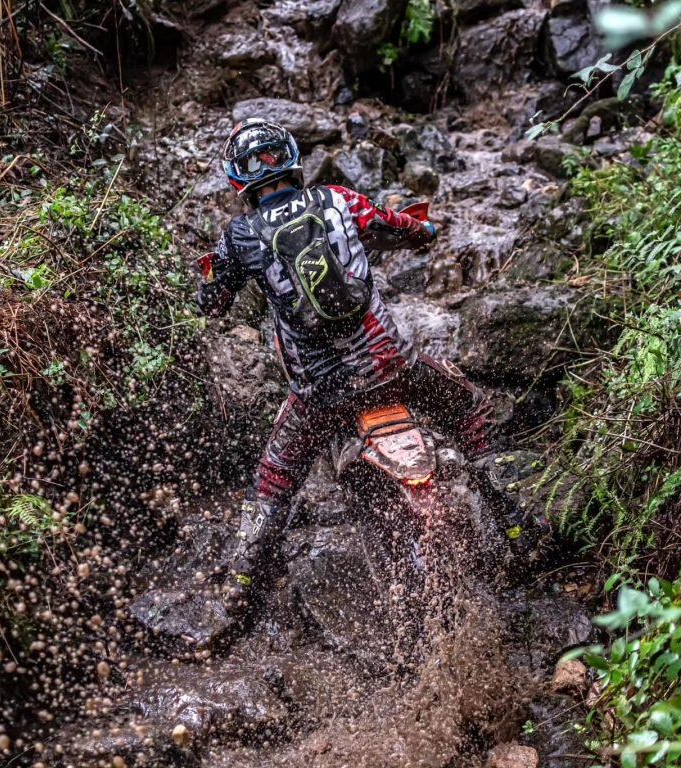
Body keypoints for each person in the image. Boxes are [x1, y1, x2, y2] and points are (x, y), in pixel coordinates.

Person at [196, 118, 526, 616]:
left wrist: (213, 286)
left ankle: (240, 591)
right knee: (467, 413)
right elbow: (398, 227)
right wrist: (425, 229)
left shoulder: (240, 237)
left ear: (237, 180)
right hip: (393, 366)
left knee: (274, 479)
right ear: (292, 160)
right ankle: (519, 524)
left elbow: (212, 301)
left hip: (319, 394)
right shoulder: (337, 199)